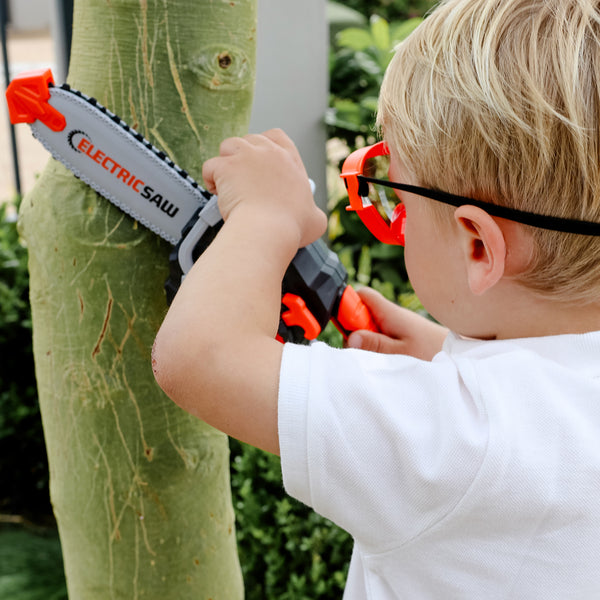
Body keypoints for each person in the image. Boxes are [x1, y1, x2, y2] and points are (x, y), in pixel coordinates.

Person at [152, 0, 600, 596]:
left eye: (399, 204)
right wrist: (447, 358)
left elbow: (198, 359)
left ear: (477, 247)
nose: (396, 217)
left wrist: (263, 215)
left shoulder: (453, 436)